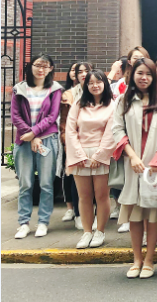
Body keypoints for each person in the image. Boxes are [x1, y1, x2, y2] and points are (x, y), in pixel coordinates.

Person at [111, 58, 157, 279]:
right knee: (135, 213)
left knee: (154, 212)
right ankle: (137, 259)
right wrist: (132, 156)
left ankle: (149, 260)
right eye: (140, 73)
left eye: (148, 74)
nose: (144, 78)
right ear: (133, 75)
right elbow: (117, 129)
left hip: (155, 165)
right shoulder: (124, 100)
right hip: (134, 165)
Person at [12, 55, 63, 240]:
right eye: (38, 65)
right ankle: (23, 223)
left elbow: (52, 116)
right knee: (25, 184)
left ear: (51, 69)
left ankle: (43, 222)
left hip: (47, 139)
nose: (41, 69)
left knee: (46, 184)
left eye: (46, 66)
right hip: (24, 140)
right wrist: (31, 135)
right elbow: (15, 116)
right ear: (31, 66)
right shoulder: (19, 88)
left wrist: (34, 133)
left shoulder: (55, 89)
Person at [65, 70, 116, 248]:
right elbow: (70, 130)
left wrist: (99, 155)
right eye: (91, 83)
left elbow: (111, 132)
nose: (95, 86)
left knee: (102, 196)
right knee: (84, 196)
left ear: (105, 84)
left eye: (98, 82)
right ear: (86, 85)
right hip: (80, 155)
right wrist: (79, 155)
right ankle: (87, 232)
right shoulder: (78, 104)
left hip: (102, 155)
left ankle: (100, 231)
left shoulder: (112, 105)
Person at [60, 61, 92, 227]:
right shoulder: (69, 95)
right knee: (75, 178)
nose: (83, 74)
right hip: (74, 142)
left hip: (93, 143)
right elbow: (64, 123)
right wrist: (68, 142)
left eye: (87, 71)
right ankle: (78, 214)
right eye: (80, 71)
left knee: (93, 180)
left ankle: (92, 214)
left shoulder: (98, 92)